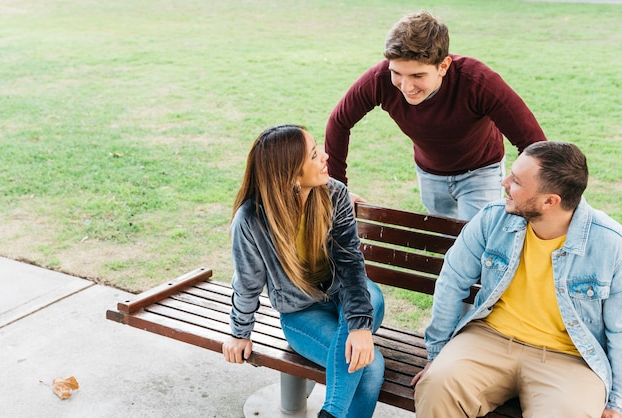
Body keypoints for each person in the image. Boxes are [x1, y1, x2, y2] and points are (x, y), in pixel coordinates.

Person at [410, 141, 622, 417]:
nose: (504, 182)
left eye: (517, 181)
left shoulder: (611, 244)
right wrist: (436, 356)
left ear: (550, 201)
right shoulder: (492, 219)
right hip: (488, 338)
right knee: (437, 387)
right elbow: (452, 282)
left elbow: (619, 328)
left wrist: (615, 401)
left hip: (570, 357)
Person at [222, 124, 385, 418]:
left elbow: (350, 265)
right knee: (369, 365)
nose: (325, 156)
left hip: (349, 298)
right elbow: (247, 283)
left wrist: (360, 326)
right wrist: (239, 332)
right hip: (301, 314)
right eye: (313, 155)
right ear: (291, 175)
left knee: (371, 300)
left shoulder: (335, 195)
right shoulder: (251, 220)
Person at [324, 10, 547, 221]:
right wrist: (339, 192)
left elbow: (533, 142)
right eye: (397, 73)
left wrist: (526, 192)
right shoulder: (379, 80)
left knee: (476, 242)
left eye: (417, 75)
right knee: (444, 238)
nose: (406, 86)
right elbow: (339, 122)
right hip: (429, 173)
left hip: (480, 172)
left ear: (443, 66)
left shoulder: (478, 82)